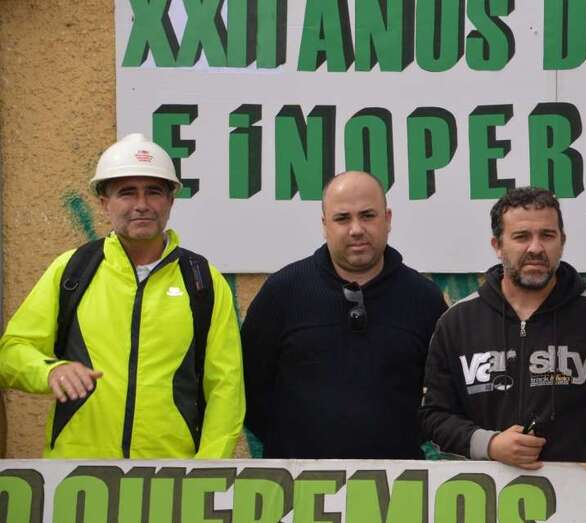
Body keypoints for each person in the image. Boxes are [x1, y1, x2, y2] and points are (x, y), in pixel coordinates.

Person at [420, 186, 586, 522]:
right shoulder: (457, 322)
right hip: (488, 504)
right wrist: (489, 445)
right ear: (497, 245)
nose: (535, 248)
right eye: (521, 236)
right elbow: (434, 416)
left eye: (547, 235)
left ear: (562, 240)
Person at [0, 133, 245, 458]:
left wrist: (204, 471)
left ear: (170, 201)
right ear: (105, 203)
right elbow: (11, 354)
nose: (141, 204)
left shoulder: (202, 280)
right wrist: (50, 371)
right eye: (127, 192)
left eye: (154, 192)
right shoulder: (72, 270)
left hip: (169, 475)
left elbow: (226, 387)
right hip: (77, 473)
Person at [242, 170, 446, 459]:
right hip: (297, 480)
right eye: (342, 218)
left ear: (387, 219)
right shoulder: (282, 292)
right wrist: (291, 441)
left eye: (367, 215)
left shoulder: (424, 299)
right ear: (325, 225)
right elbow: (247, 388)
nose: (356, 229)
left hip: (398, 480)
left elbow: (445, 391)